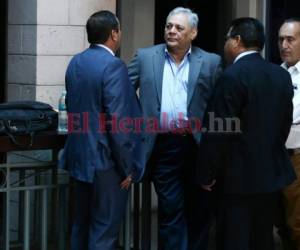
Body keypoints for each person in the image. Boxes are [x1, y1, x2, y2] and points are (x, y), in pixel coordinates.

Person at [128, 7, 222, 250]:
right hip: (163, 145)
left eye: (179, 28)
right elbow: (123, 93)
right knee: (170, 210)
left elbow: (219, 105)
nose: (171, 31)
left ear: (193, 33)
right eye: (169, 26)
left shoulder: (211, 62)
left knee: (200, 210)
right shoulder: (146, 57)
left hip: (197, 146)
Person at [198, 17, 296, 250]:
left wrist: (206, 172)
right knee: (263, 239)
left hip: (236, 179)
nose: (225, 44)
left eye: (227, 38)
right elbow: (284, 124)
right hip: (270, 176)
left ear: (237, 41)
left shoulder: (232, 76)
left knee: (234, 239)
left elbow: (217, 130)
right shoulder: (280, 75)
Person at [60, 10, 145, 250]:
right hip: (106, 164)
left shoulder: (76, 62)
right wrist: (128, 167)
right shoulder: (114, 66)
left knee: (81, 226)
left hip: (79, 158)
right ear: (114, 34)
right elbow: (119, 123)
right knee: (104, 232)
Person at [278, 17, 300, 250]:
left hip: (298, 156)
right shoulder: (275, 73)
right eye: (281, 39)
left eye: (290, 39)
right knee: (280, 222)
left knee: (297, 224)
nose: (284, 45)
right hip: (275, 155)